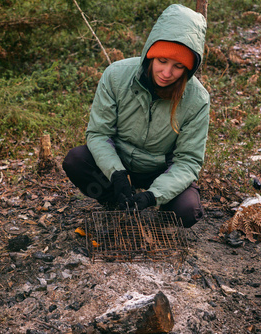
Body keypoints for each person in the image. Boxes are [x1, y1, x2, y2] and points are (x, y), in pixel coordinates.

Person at [62, 4, 210, 228]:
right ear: (150, 54)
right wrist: (117, 174)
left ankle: (153, 210)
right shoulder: (116, 76)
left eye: (178, 66)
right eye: (162, 61)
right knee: (76, 160)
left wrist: (153, 196)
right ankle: (118, 202)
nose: (167, 73)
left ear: (188, 69)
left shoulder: (197, 99)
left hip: (160, 169)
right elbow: (99, 134)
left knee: (188, 212)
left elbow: (188, 161)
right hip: (120, 163)